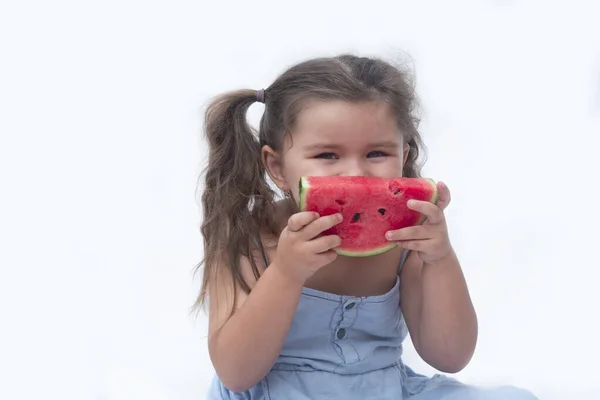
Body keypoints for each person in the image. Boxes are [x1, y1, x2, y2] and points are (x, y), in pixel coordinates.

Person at [194, 54, 539, 399]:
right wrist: (286, 273)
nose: (356, 174)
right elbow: (236, 373)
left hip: (383, 389)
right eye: (328, 156)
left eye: (376, 153)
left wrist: (440, 258)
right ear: (277, 166)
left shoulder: (408, 235)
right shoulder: (247, 237)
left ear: (403, 157)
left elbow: (450, 356)